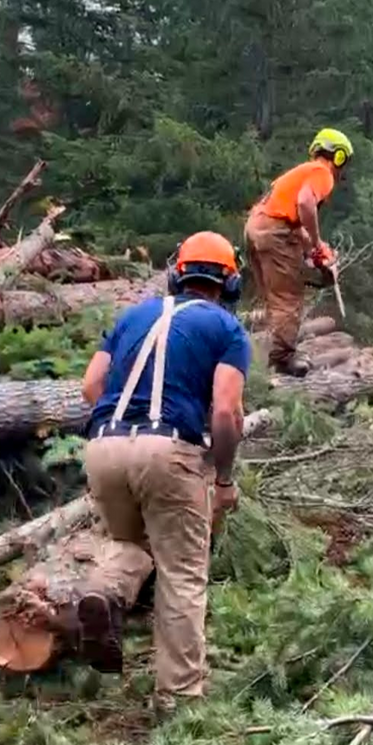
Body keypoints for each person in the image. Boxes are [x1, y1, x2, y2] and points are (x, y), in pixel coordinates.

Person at [78, 231, 251, 711]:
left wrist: (120, 425)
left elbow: (91, 385)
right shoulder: (227, 329)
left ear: (178, 271)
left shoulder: (132, 314)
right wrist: (224, 477)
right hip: (171, 450)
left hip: (104, 445)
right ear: (229, 281)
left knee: (129, 544)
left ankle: (101, 591)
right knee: (183, 574)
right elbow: (225, 413)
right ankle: (179, 700)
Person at [245, 127, 353, 376]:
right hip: (274, 230)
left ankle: (261, 359)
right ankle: (282, 359)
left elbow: (294, 224)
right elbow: (305, 204)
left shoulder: (298, 173)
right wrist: (316, 244)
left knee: (274, 298)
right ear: (338, 156)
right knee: (288, 297)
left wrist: (316, 251)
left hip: (257, 226)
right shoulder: (322, 173)